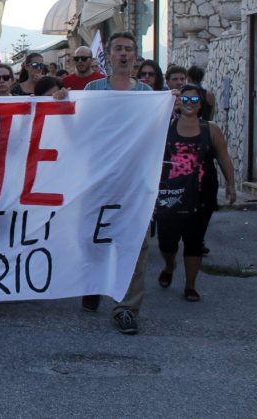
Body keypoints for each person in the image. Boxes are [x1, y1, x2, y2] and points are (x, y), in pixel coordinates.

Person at [82, 32, 153, 335]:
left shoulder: (149, 94)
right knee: (94, 236)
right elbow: (78, 125)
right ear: (108, 55)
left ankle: (126, 307)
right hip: (99, 178)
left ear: (135, 56)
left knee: (135, 242)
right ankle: (93, 282)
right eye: (118, 49)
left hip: (135, 181)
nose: (124, 54)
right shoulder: (93, 89)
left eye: (129, 49)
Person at [155, 85, 236, 301]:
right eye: (185, 99)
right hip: (170, 195)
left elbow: (223, 158)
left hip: (201, 195)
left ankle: (190, 285)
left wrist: (231, 184)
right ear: (179, 102)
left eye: (194, 100)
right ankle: (170, 266)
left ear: (200, 105)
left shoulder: (211, 130)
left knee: (194, 241)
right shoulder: (165, 127)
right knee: (167, 242)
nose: (189, 104)